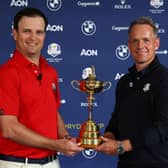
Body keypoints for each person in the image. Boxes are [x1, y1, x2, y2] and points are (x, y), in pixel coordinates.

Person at [0, 7, 83, 168]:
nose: (33, 37)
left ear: (45, 35)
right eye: (26, 31)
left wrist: (65, 137)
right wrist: (54, 144)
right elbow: (9, 128)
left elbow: (53, 111)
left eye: (39, 32)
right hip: (17, 164)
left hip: (51, 162)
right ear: (15, 34)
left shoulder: (50, 71)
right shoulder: (6, 73)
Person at [95, 16, 168, 168]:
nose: (140, 45)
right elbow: (116, 121)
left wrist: (122, 146)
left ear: (156, 44)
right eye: (135, 40)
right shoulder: (124, 82)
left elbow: (163, 127)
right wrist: (107, 137)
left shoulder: (164, 78)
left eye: (146, 40)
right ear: (129, 45)